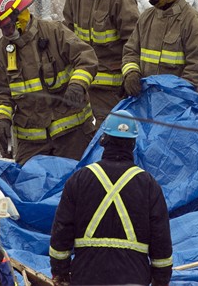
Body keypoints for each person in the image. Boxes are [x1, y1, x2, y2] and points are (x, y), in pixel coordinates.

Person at [49, 110, 173, 286]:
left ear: (103, 140)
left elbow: (62, 231)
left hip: (86, 277)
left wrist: (60, 272)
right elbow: (161, 238)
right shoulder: (148, 185)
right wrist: (161, 280)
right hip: (134, 278)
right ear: (133, 143)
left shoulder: (79, 180)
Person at [0, 0, 99, 164]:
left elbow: (86, 58)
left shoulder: (54, 32)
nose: (5, 33)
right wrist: (2, 118)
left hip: (71, 135)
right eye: (1, 29)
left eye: (7, 26)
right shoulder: (3, 49)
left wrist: (78, 84)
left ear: (20, 16)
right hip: (32, 144)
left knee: (77, 186)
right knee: (29, 188)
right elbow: (2, 92)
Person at [58, 0, 140, 128]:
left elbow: (135, 43)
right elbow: (68, 32)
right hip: (81, 85)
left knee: (105, 140)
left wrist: (129, 76)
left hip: (110, 92)